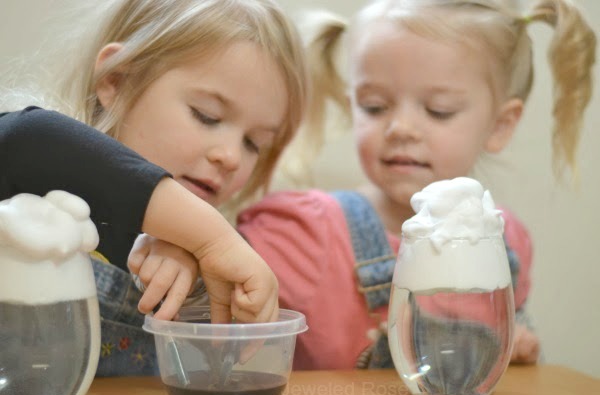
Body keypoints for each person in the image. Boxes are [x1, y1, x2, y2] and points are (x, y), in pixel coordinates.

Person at [127, 0, 596, 369]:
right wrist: (182, 245)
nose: (402, 128)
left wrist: (518, 345)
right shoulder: (304, 231)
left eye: (438, 110)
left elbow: (516, 348)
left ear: (501, 123)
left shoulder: (507, 242)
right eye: (374, 106)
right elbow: (212, 289)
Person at [0, 0, 308, 375]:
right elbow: (23, 137)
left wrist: (195, 256)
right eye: (206, 116)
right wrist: (208, 235)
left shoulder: (210, 260)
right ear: (116, 80)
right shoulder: (31, 172)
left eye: (253, 143)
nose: (230, 156)